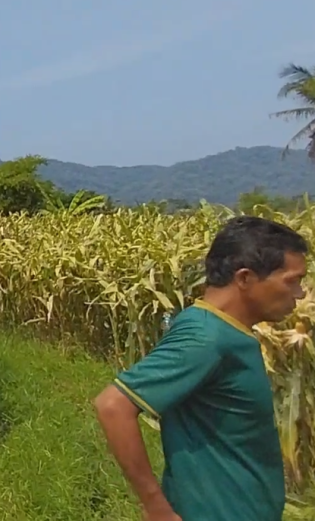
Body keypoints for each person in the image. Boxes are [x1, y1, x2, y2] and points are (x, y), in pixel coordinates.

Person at [93, 215, 308, 521]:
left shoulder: (225, 331)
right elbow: (112, 406)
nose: (300, 294)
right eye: (292, 281)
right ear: (245, 278)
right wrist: (157, 509)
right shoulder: (206, 338)